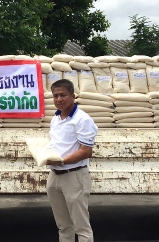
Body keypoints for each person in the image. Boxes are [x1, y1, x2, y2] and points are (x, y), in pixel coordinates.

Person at [46, 79, 98, 242]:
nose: (59, 99)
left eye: (63, 95)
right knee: (63, 226)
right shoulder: (56, 118)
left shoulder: (82, 119)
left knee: (81, 227)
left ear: (73, 96)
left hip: (74, 176)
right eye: (55, 96)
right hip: (55, 176)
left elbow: (86, 151)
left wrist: (61, 161)